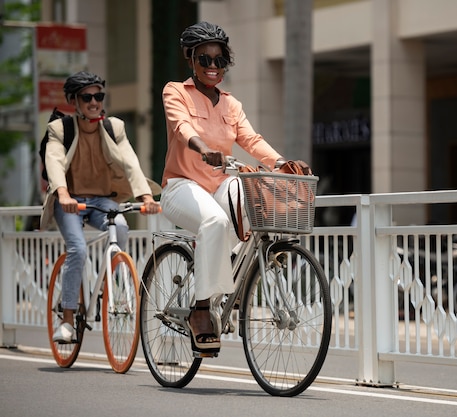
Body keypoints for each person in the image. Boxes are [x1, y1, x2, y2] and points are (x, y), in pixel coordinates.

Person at [160, 21, 303, 351]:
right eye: (204, 59)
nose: (212, 67)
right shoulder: (175, 91)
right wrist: (201, 148)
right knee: (216, 221)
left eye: (219, 60)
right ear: (190, 59)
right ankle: (200, 311)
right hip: (182, 186)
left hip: (219, 183)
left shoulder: (231, 104)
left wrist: (281, 163)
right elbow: (181, 126)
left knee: (253, 197)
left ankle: (230, 281)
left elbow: (250, 140)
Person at [41, 71, 161, 343]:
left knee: (120, 226)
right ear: (74, 101)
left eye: (99, 96)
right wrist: (63, 194)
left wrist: (145, 197)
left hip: (102, 200)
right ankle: (68, 319)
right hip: (70, 200)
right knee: (78, 249)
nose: (94, 102)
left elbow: (130, 161)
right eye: (87, 97)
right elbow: (54, 161)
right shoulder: (60, 129)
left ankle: (112, 287)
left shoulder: (113, 127)